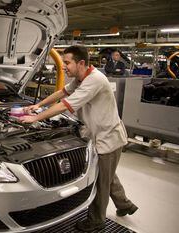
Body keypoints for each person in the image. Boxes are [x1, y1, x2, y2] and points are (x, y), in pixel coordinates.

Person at [20, 45, 137, 232]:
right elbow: (62, 93)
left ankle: (96, 221)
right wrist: (38, 105)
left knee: (101, 182)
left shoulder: (95, 80)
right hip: (97, 136)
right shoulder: (81, 78)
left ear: (81, 63)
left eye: (67, 63)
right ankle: (125, 205)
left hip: (109, 138)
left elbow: (64, 105)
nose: (64, 66)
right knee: (109, 175)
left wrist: (35, 118)